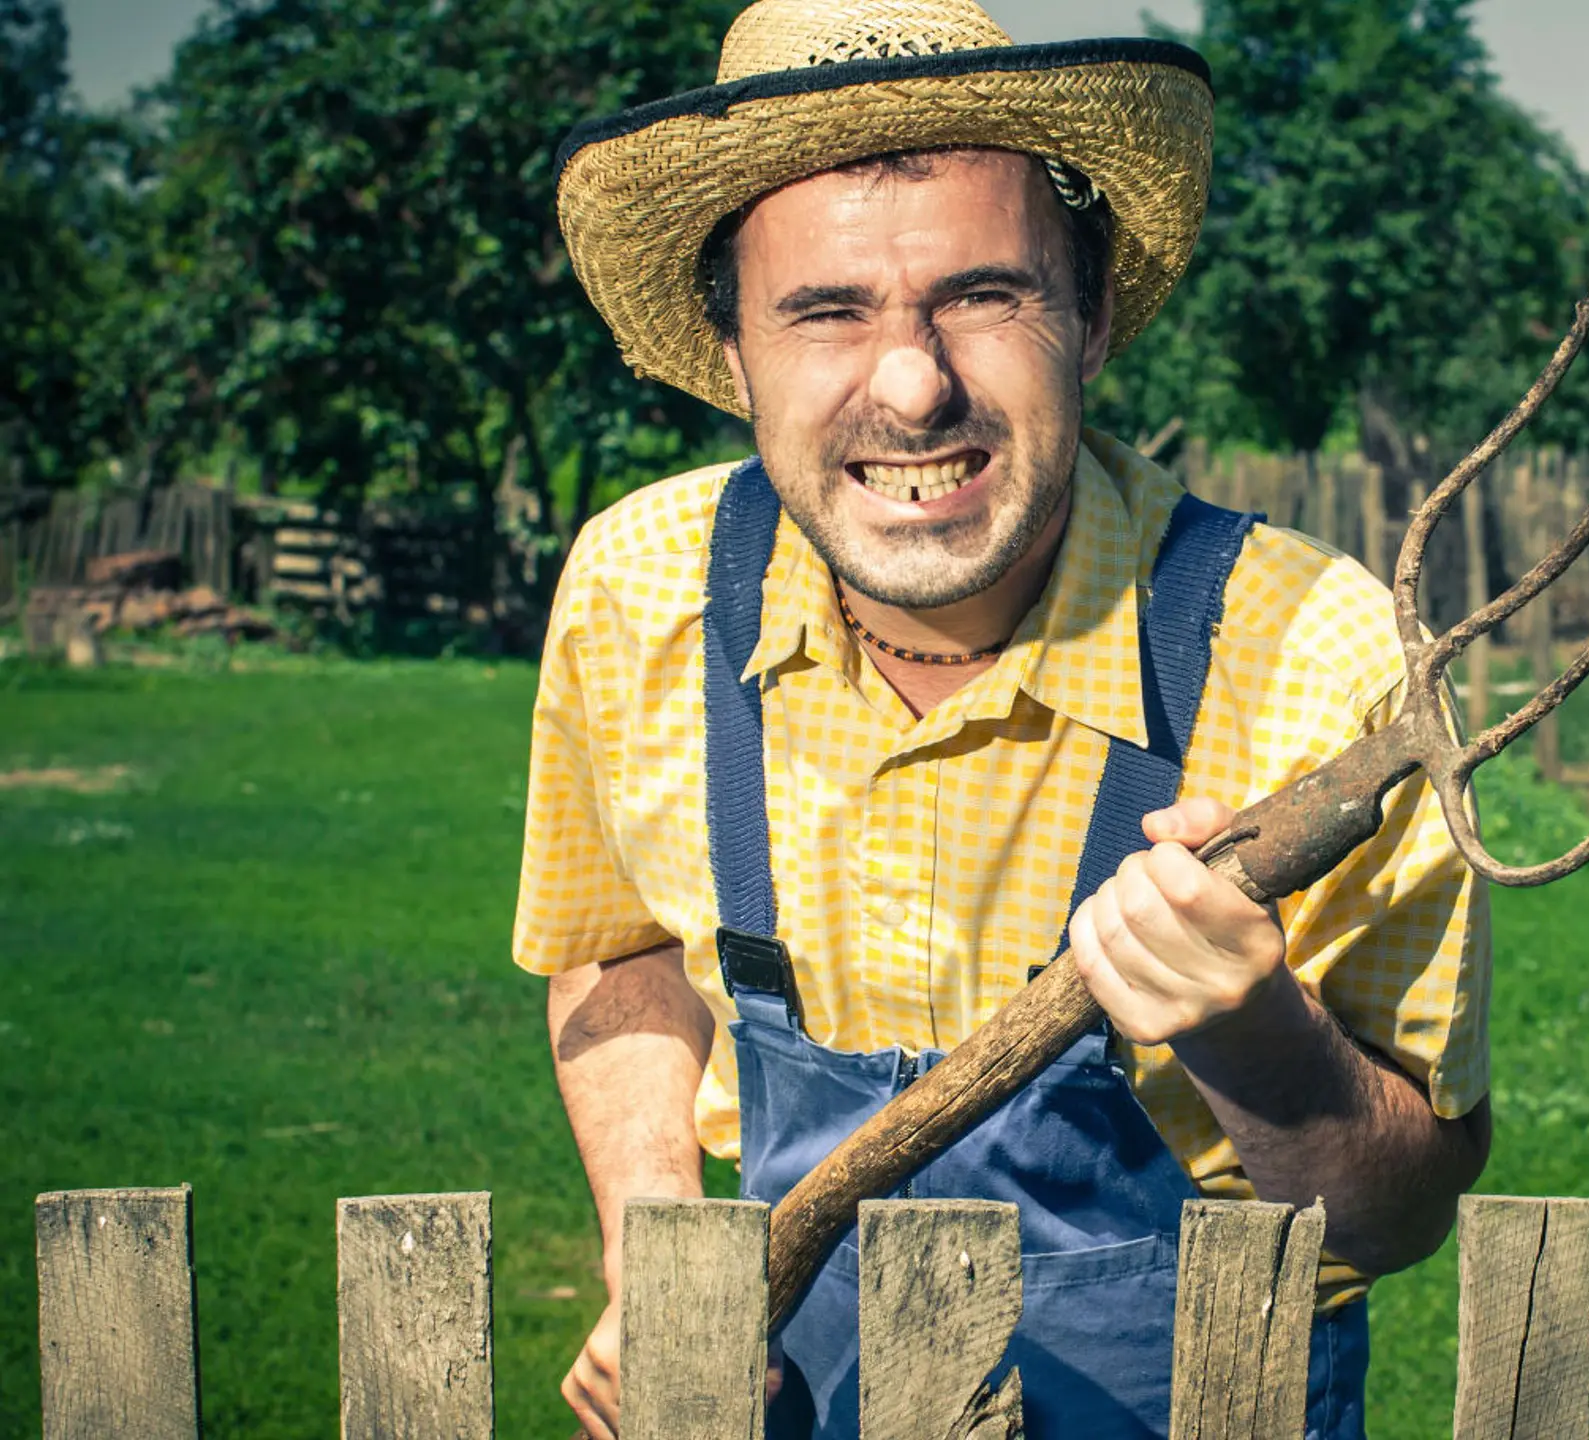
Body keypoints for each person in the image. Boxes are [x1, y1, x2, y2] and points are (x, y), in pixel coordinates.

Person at [520, 2, 1492, 1436]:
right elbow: (617, 949)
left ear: (1092, 315)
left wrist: (1257, 1039)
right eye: (826, 309)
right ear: (730, 351)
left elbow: (1397, 1213)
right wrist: (661, 1247)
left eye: (983, 295)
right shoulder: (639, 590)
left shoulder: (1313, 653)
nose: (913, 388)